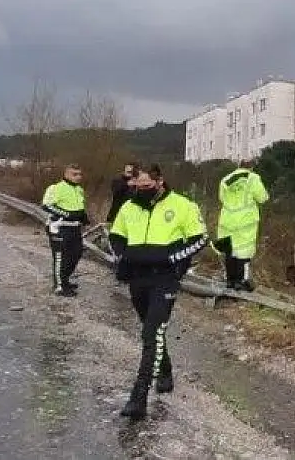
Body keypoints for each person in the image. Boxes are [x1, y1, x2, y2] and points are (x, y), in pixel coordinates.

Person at [109, 168, 208, 420]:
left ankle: (139, 396)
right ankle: (165, 370)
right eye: (137, 187)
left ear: (159, 182)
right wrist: (122, 255)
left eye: (145, 186)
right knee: (151, 330)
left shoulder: (183, 205)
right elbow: (116, 235)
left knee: (151, 333)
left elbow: (200, 239)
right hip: (137, 277)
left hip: (165, 278)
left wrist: (173, 258)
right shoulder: (129, 206)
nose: (140, 191)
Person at [215, 160, 269, 291]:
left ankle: (230, 281)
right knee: (244, 252)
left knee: (230, 251)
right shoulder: (253, 178)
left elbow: (222, 198)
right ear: (251, 167)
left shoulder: (225, 179)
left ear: (238, 166)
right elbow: (263, 198)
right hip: (245, 222)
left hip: (227, 221)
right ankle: (241, 282)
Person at [40, 164, 90, 297]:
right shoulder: (56, 188)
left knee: (76, 254)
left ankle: (65, 279)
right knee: (60, 256)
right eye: (74, 174)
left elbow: (79, 205)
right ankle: (59, 286)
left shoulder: (79, 189)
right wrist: (66, 214)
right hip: (59, 227)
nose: (78, 177)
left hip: (74, 227)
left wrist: (83, 216)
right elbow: (46, 205)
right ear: (66, 174)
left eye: (80, 174)